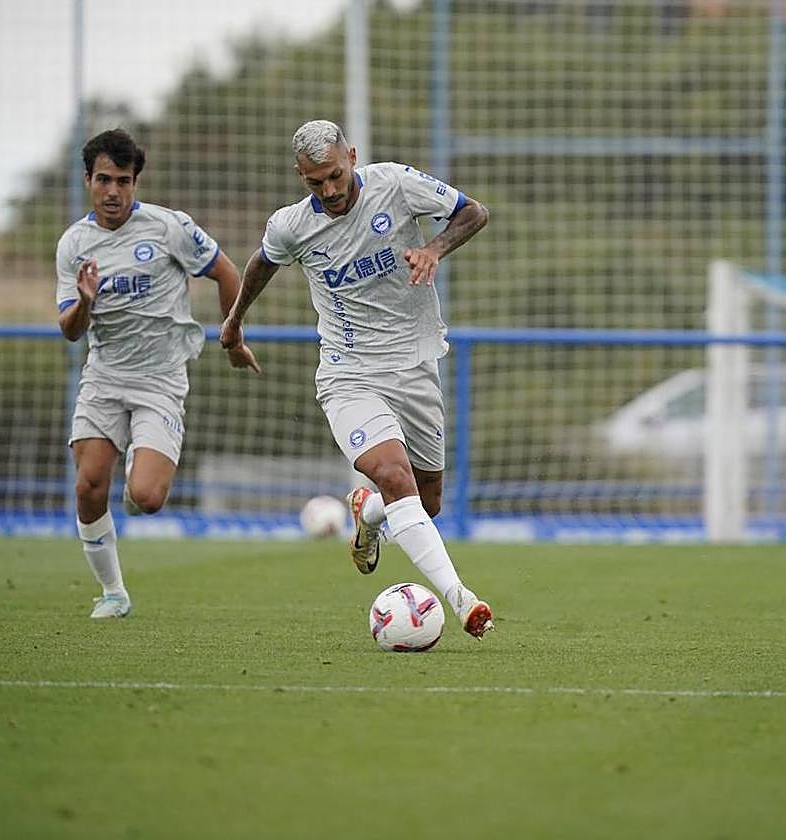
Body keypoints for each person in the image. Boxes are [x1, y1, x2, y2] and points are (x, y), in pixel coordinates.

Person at [219, 119, 495, 638]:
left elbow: (473, 212)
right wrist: (234, 323)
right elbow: (262, 262)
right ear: (300, 177)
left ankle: (368, 516)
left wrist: (434, 249)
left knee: (426, 502)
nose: (328, 191)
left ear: (351, 155)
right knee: (395, 477)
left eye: (334, 176)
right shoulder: (292, 225)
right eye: (313, 183)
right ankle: (462, 599)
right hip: (349, 371)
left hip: (414, 364)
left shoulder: (394, 183)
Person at [56, 128, 259, 619]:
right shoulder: (74, 245)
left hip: (161, 381)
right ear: (87, 180)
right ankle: (113, 592)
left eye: (123, 181)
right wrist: (84, 303)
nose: (113, 192)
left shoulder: (169, 228)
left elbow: (228, 273)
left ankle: (138, 473)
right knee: (87, 486)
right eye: (103, 180)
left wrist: (231, 338)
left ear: (135, 182)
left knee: (146, 498)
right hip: (104, 377)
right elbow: (69, 330)